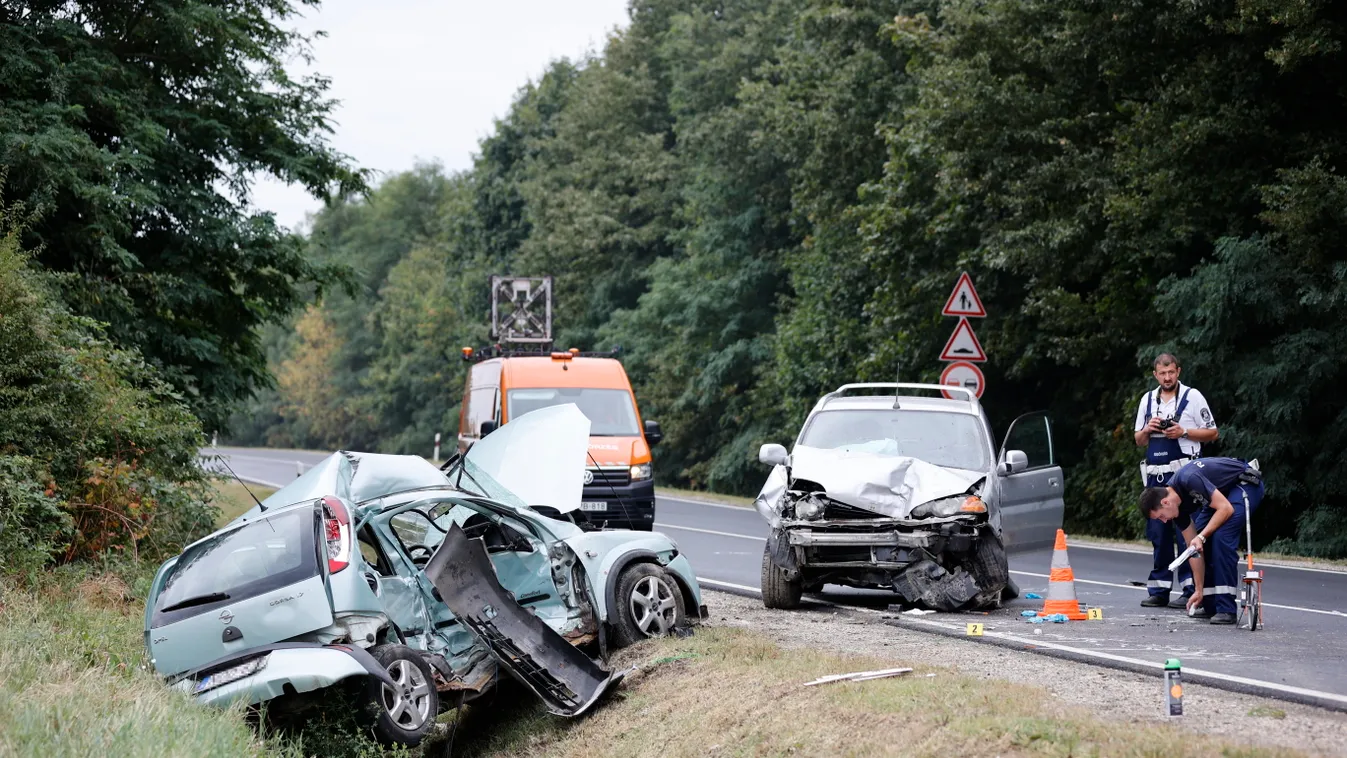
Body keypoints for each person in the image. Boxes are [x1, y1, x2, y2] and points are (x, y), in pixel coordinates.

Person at [1133, 353, 1219, 608]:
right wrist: (1148, 428)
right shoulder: (1147, 400)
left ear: (1178, 371)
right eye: (1162, 373)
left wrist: (1183, 432)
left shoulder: (1193, 397)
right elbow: (1138, 440)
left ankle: (1190, 588)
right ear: (1155, 375)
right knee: (1158, 534)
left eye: (1171, 372)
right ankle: (1159, 589)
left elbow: (1213, 432)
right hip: (1155, 477)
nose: (1167, 377)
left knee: (1186, 534)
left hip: (1184, 476)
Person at [1138, 457, 1264, 625]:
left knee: (1221, 538)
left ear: (1165, 502)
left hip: (1243, 484)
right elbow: (1193, 550)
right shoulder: (1178, 510)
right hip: (1221, 495)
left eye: (1161, 516)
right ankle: (1209, 603)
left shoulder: (1189, 479)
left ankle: (1226, 608)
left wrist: (1201, 536)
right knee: (1200, 543)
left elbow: (1226, 509)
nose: (1164, 521)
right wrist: (1198, 589)